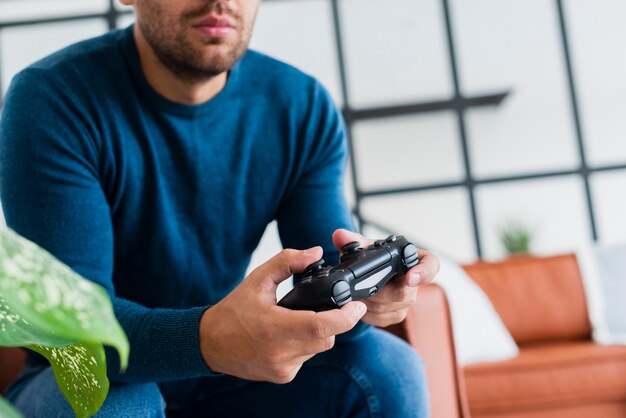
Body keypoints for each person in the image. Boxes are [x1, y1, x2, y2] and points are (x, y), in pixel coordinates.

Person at [0, 0, 439, 416]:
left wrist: (369, 297)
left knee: (389, 370)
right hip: (82, 378)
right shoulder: (52, 100)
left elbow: (327, 283)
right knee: (111, 404)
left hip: (228, 375)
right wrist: (211, 339)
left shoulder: (299, 107)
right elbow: (79, 337)